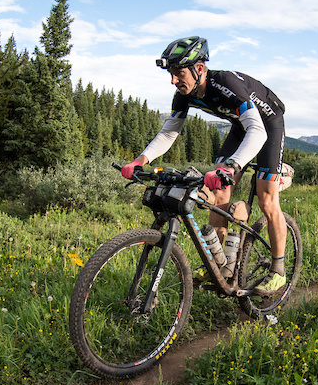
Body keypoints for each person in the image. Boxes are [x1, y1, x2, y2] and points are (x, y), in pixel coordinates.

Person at [121, 36, 287, 295]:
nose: (174, 81)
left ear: (199, 69)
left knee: (267, 199)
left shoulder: (226, 85)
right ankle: (219, 264)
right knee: (219, 192)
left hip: (266, 124)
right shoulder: (183, 94)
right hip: (240, 125)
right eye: (171, 74)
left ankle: (278, 270)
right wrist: (140, 160)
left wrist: (231, 166)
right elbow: (169, 132)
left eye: (178, 73)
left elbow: (257, 130)